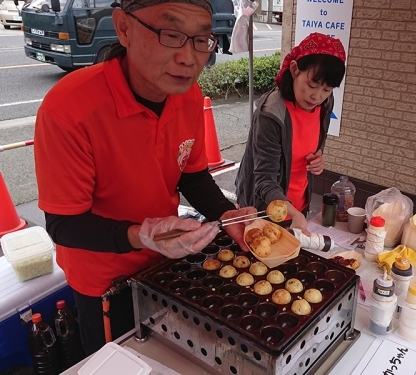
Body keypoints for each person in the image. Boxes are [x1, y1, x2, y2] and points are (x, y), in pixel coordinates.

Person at [34, 0, 255, 356]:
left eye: (202, 39)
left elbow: (192, 175)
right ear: (124, 28)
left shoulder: (188, 96)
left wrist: (225, 213)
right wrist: (142, 235)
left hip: (164, 263)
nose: (189, 58)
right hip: (105, 279)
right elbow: (63, 224)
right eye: (171, 34)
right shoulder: (68, 109)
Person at [235, 32, 346, 234]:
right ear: (295, 70)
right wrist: (293, 214)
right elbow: (265, 180)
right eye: (312, 85)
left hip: (299, 201)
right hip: (264, 206)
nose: (317, 96)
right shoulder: (271, 114)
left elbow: (318, 140)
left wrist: (318, 155)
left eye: (327, 89)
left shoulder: (325, 103)